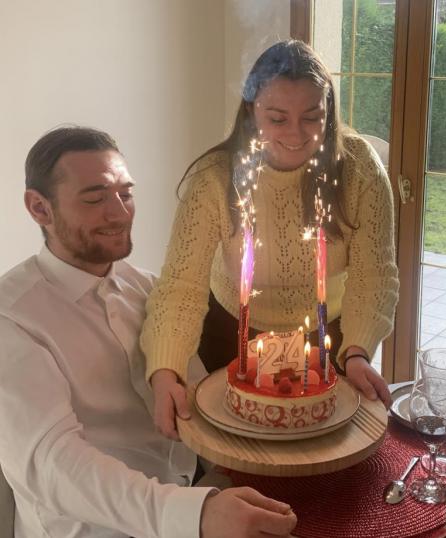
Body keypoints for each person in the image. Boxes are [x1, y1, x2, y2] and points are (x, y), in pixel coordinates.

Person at [0, 126, 297, 537]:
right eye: (95, 198)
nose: (119, 213)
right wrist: (195, 515)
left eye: (125, 193)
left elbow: (196, 397)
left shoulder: (149, 288)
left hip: (190, 493)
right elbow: (53, 463)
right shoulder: (12, 319)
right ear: (39, 208)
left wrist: (253, 460)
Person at [141, 39, 399, 440]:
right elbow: (180, 287)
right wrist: (165, 370)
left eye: (312, 117)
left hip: (330, 339)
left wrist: (358, 351)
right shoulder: (214, 178)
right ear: (251, 110)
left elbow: (375, 276)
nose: (296, 133)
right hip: (231, 336)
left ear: (329, 111)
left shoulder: (359, 170)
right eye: (278, 118)